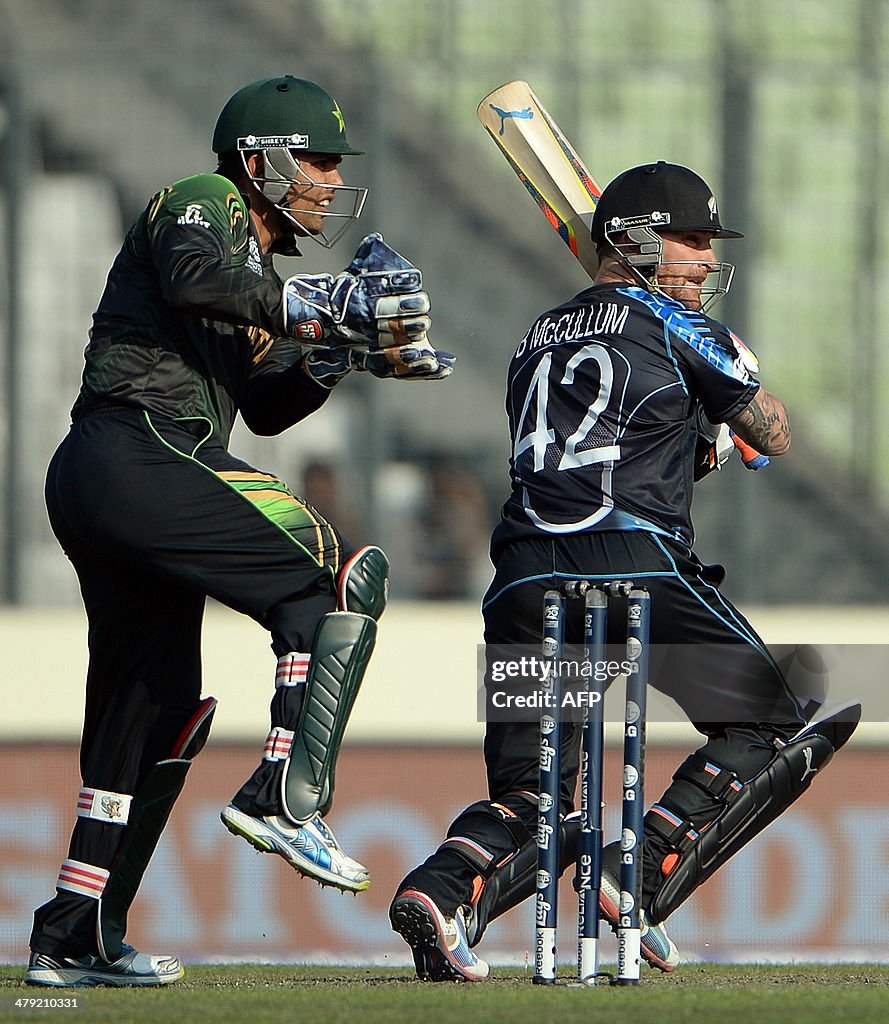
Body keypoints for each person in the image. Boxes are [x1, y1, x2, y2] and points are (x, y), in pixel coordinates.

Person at [26, 74, 454, 988]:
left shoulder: (259, 273)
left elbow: (264, 407)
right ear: (261, 159)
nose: (330, 181)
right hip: (131, 446)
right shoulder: (203, 199)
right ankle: (283, 793)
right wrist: (324, 306)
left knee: (155, 710)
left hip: (127, 475)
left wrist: (343, 351)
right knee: (332, 572)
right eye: (318, 159)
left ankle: (76, 930)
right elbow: (191, 278)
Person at [389, 161, 859, 981]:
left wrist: (701, 439)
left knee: (542, 798)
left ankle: (443, 890)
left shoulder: (532, 339)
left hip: (522, 580)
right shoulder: (682, 329)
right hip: (632, 562)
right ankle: (631, 875)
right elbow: (774, 433)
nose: (706, 262)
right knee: (777, 715)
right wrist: (739, 379)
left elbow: (604, 456)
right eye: (691, 241)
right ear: (631, 239)